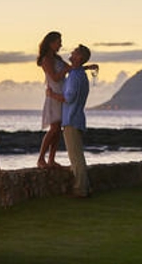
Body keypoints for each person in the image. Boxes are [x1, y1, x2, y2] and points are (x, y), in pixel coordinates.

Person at [47, 44, 98, 197]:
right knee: (77, 156)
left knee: (76, 158)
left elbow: (68, 98)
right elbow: (77, 69)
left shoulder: (76, 77)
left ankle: (80, 190)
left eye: (74, 52)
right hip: (75, 119)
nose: (71, 53)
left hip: (71, 120)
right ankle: (85, 188)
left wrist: (51, 95)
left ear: (79, 57)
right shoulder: (79, 74)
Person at [37, 31, 71, 169]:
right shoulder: (46, 59)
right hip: (53, 96)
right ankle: (40, 159)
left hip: (60, 95)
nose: (60, 44)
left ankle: (51, 159)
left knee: (58, 130)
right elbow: (55, 77)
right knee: (54, 128)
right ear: (51, 43)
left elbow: (71, 69)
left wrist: (86, 67)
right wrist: (67, 69)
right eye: (58, 41)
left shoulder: (57, 59)